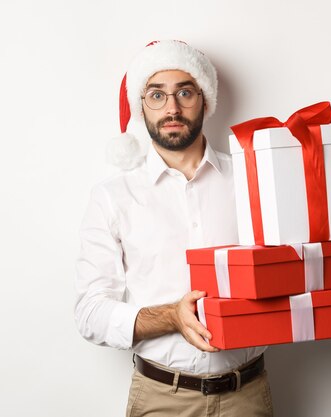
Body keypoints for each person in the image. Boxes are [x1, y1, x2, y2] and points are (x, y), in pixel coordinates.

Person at [75, 40, 273, 417]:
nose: (172, 108)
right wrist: (170, 316)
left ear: (205, 99)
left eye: (185, 92)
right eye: (156, 95)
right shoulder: (112, 197)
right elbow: (90, 312)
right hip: (162, 399)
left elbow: (285, 268)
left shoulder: (253, 181)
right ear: (141, 105)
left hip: (247, 396)